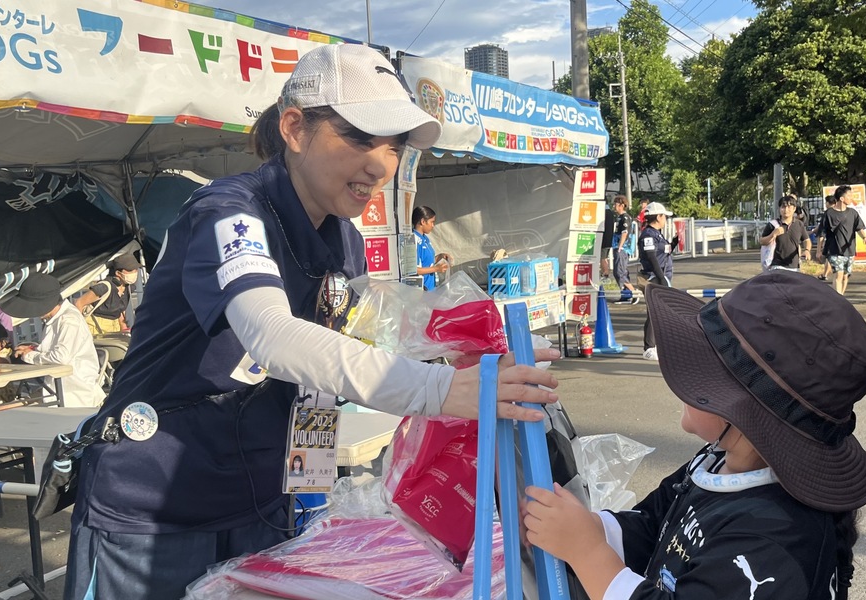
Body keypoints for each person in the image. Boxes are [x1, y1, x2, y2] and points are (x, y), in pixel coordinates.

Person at [64, 43, 560, 600]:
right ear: (295, 128)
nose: (381, 163)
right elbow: (272, 335)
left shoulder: (341, 237)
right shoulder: (229, 212)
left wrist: (484, 346)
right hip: (153, 512)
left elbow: (363, 332)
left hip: (261, 504)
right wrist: (442, 388)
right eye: (359, 136)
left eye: (394, 146)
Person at [524, 271, 866, 600]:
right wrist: (588, 528)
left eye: (698, 370)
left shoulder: (773, 541)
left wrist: (588, 554)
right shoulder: (717, 461)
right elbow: (656, 524)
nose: (683, 378)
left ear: (742, 412)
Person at [0, 273, 105, 408]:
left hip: (73, 394)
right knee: (2, 409)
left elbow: (60, 357)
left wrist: (29, 355)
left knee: (4, 411)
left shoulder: (69, 321)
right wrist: (34, 348)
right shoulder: (57, 318)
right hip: (55, 389)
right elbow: (57, 350)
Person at [638, 202, 675, 361]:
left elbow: (662, 252)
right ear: (658, 217)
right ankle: (649, 347)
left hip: (661, 276)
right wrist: (660, 277)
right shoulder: (648, 235)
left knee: (659, 312)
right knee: (654, 312)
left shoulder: (657, 233)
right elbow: (651, 256)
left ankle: (655, 345)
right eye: (664, 216)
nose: (666, 219)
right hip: (653, 277)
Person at [816, 186, 866, 295]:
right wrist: (819, 250)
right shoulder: (829, 214)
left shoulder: (853, 213)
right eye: (849, 195)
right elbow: (821, 233)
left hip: (849, 249)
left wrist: (864, 237)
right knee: (838, 274)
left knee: (845, 276)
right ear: (841, 198)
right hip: (833, 249)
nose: (851, 197)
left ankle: (841, 298)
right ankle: (838, 299)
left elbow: (859, 228)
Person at [74, 254, 141, 335]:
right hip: (95, 327)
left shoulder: (129, 288)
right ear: (118, 273)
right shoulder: (104, 287)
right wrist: (80, 328)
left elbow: (119, 310)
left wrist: (123, 327)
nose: (135, 273)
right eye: (130, 270)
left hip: (115, 327)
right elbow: (79, 303)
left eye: (136, 269)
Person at [759, 195, 811, 272]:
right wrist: (773, 234)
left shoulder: (799, 224)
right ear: (779, 209)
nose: (786, 210)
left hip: (794, 266)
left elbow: (807, 240)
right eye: (783, 207)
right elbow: (762, 241)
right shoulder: (773, 224)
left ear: (794, 209)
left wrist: (807, 250)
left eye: (789, 207)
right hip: (777, 265)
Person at [411, 205, 452, 291]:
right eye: (432, 222)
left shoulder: (425, 239)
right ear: (423, 222)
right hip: (421, 291)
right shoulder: (413, 240)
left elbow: (427, 262)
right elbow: (414, 269)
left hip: (431, 288)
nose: (433, 225)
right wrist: (436, 269)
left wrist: (440, 256)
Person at [611, 195, 639, 304]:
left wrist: (620, 246)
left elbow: (625, 232)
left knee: (620, 272)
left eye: (616, 204)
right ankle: (625, 293)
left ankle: (633, 291)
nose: (614, 206)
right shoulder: (619, 217)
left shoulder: (625, 218)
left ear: (622, 205)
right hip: (618, 247)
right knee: (619, 271)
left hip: (622, 248)